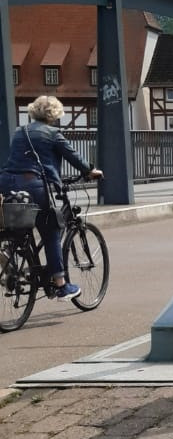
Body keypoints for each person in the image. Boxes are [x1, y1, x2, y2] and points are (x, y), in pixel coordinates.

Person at [0, 96, 103, 298]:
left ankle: (11, 257)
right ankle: (60, 284)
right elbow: (74, 157)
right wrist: (91, 171)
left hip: (6, 182)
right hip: (34, 185)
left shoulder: (20, 132)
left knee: (16, 227)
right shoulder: (53, 134)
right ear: (55, 115)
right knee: (51, 229)